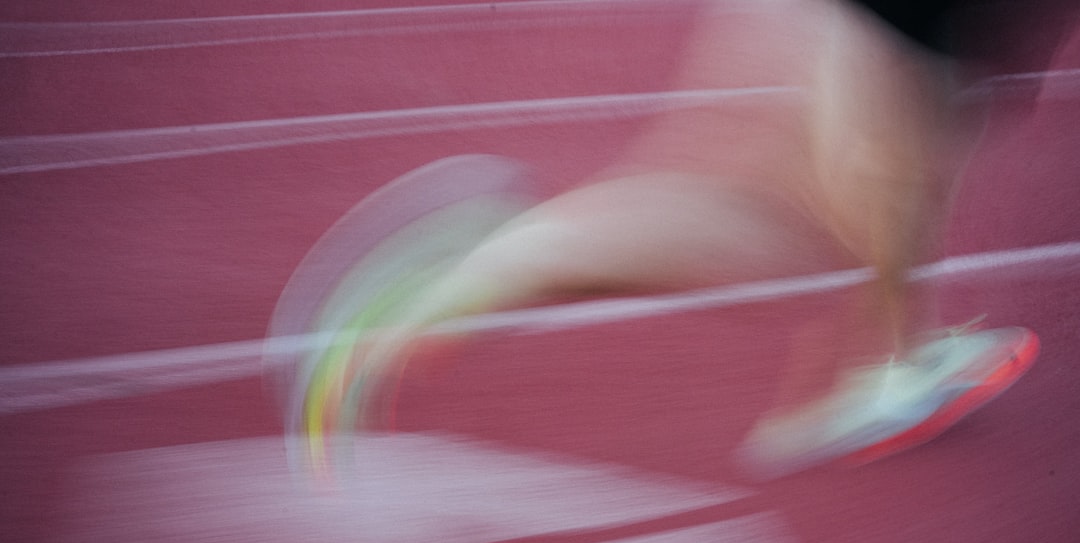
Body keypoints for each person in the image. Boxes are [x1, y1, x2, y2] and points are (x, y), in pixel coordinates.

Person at [303, 0, 1040, 478]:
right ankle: (887, 367)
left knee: (765, 213)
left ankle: (482, 264)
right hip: (902, 25)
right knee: (795, 230)